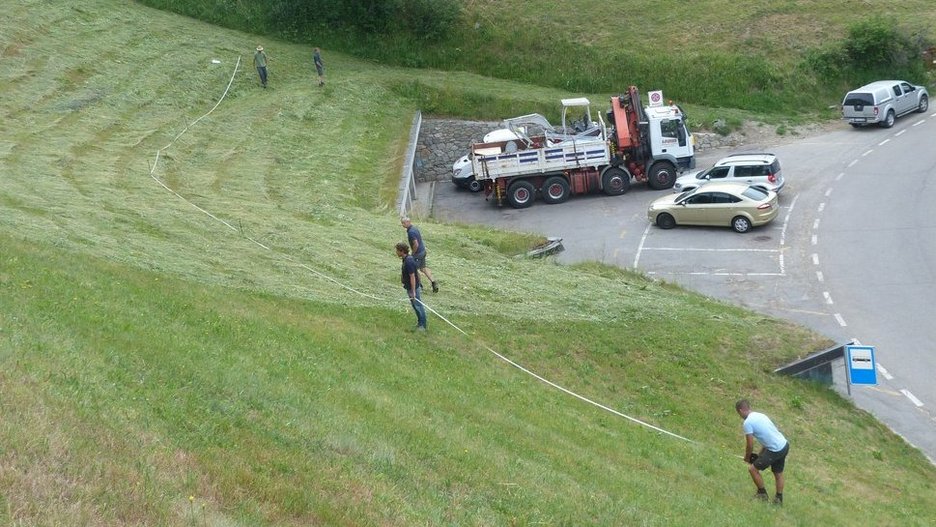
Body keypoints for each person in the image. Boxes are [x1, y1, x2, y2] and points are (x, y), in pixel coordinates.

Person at [735, 399, 790, 505]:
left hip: (775, 449)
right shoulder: (760, 415)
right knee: (778, 473)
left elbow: (750, 444)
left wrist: (747, 457)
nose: (740, 416)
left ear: (741, 410)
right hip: (784, 445)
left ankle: (762, 494)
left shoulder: (748, 423)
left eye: (739, 413)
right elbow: (768, 437)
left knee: (752, 469)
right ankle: (779, 499)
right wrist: (760, 455)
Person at [401, 217, 438, 293]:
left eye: (403, 223)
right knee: (423, 269)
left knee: (414, 269)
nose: (402, 225)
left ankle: (419, 286)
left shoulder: (411, 232)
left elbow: (416, 244)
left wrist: (413, 254)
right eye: (402, 223)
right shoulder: (414, 228)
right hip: (423, 251)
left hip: (418, 253)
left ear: (408, 222)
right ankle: (434, 282)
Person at [396, 242, 427, 331]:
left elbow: (412, 276)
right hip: (409, 287)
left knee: (417, 305)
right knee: (415, 305)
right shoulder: (406, 259)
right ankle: (420, 323)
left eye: (397, 251)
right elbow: (416, 273)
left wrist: (413, 291)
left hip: (413, 288)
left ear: (402, 251)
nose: (396, 252)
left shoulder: (409, 261)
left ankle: (422, 325)